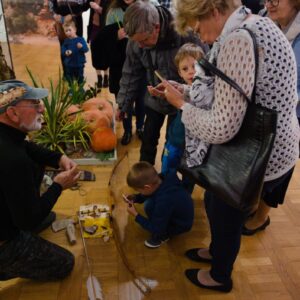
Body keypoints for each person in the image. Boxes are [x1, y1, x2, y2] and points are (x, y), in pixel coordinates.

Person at [159, 0, 299, 292]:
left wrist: (182, 106)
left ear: (212, 11)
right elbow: (225, 93)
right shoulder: (253, 23)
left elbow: (223, 126)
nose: (202, 38)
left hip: (258, 156)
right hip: (272, 144)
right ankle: (217, 252)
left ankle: (220, 275)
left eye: (199, 28)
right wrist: (184, 90)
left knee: (225, 212)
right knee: (214, 202)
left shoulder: (237, 39)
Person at [0, 80, 80, 281]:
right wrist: (59, 185)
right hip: (4, 239)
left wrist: (58, 158)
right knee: (65, 263)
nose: (42, 108)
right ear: (13, 113)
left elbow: (26, 147)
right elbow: (29, 220)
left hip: (8, 211)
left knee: (35, 163)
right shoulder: (13, 160)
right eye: (35, 104)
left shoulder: (7, 135)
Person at [116, 0, 205, 164]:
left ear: (156, 28)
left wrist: (188, 94)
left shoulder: (185, 31)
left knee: (173, 145)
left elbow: (205, 71)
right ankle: (145, 182)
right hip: (154, 99)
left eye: (143, 41)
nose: (140, 46)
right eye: (136, 41)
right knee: (148, 141)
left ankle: (167, 180)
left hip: (182, 101)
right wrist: (123, 105)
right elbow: (130, 74)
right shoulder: (137, 39)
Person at [242, 0, 300, 235]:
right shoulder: (264, 18)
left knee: (282, 169)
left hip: (292, 116)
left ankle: (261, 217)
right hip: (262, 114)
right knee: (259, 167)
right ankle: (253, 204)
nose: (269, 4)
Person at [161, 43, 211, 181]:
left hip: (193, 148)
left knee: (189, 178)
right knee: (166, 172)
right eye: (185, 68)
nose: (191, 71)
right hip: (174, 141)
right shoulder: (183, 89)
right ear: (180, 73)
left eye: (195, 66)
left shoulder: (207, 92)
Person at [126, 161, 194, 248]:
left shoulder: (165, 200)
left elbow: (156, 228)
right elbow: (150, 193)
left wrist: (136, 215)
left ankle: (162, 236)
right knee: (149, 205)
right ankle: (161, 226)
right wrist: (136, 198)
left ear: (147, 187)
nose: (139, 192)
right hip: (176, 212)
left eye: (139, 190)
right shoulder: (161, 179)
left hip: (179, 225)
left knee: (155, 222)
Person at [105, 0, 146, 145]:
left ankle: (140, 127)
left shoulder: (144, 7)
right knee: (124, 101)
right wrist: (115, 36)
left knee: (141, 100)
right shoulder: (113, 12)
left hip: (140, 64)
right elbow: (105, 40)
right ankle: (127, 130)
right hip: (119, 64)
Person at [88, 0, 110, 88]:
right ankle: (99, 77)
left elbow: (109, 12)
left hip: (104, 28)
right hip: (93, 28)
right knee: (95, 53)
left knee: (105, 53)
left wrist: (98, 8)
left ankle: (106, 77)